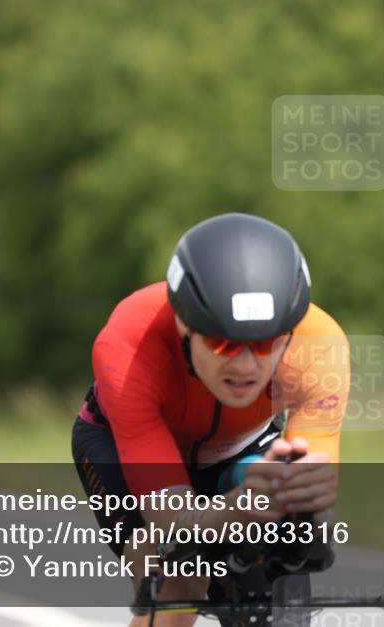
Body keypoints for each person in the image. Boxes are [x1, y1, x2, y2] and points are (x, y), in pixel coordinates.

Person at [71, 213, 350, 627]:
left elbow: (311, 494)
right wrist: (239, 510)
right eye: (222, 342)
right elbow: (175, 525)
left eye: (264, 342)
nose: (244, 365)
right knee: (176, 586)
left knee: (276, 592)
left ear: (289, 334)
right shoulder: (129, 346)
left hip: (240, 449)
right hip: (119, 445)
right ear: (184, 324)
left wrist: (298, 505)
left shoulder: (320, 348)